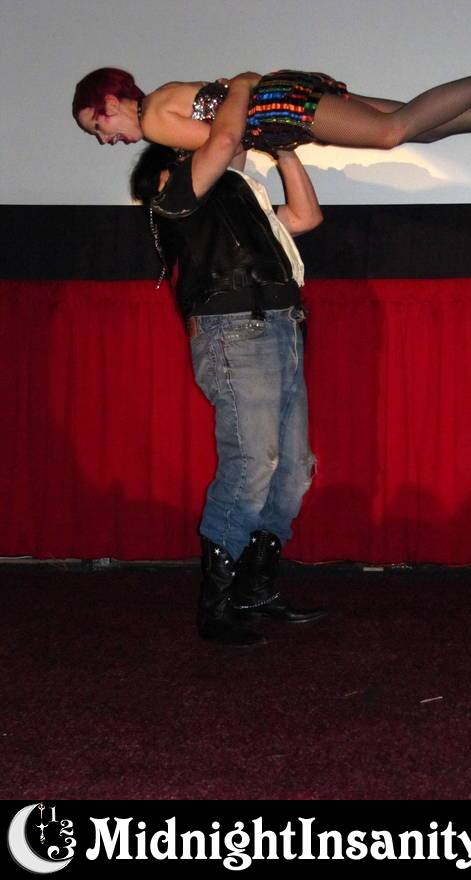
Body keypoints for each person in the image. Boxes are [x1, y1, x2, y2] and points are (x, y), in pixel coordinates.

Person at [130, 73, 326, 647]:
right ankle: (215, 606)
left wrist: (284, 151)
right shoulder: (174, 187)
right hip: (236, 329)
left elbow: (306, 217)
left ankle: (255, 589)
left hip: (280, 324)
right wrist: (239, 91)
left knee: (292, 468)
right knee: (253, 462)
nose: (231, 138)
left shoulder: (241, 197)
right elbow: (221, 140)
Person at [74, 39, 471, 155]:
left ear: (111, 103)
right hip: (282, 96)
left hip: (278, 107)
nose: (105, 138)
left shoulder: (157, 121)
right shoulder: (165, 94)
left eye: (98, 125)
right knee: (419, 125)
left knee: (391, 133)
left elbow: (226, 144)